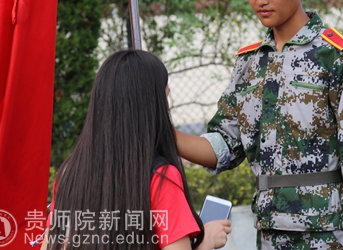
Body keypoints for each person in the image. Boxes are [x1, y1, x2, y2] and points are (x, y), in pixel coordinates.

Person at [175, 0, 343, 250]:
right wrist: (162, 132)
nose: (260, 0)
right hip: (269, 232)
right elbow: (225, 144)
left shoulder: (339, 56)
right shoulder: (249, 63)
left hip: (327, 232)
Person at [41, 50, 231, 250]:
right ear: (153, 105)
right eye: (165, 97)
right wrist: (207, 241)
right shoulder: (161, 177)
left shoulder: (69, 175)